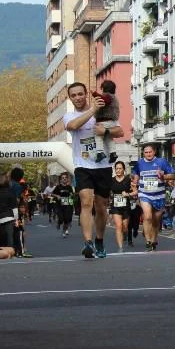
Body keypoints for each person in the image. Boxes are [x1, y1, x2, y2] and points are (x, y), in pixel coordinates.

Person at [63, 82, 122, 259]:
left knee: (101, 206)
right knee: (86, 201)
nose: (77, 98)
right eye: (73, 95)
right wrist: (92, 110)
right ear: (70, 98)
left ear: (86, 94)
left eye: (80, 94)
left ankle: (99, 240)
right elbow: (73, 126)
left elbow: (119, 131)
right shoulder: (69, 116)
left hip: (103, 166)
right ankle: (88, 242)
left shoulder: (103, 112)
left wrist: (105, 131)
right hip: (83, 165)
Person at [134, 143, 175, 252]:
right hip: (144, 194)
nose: (148, 154)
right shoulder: (139, 163)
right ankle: (148, 241)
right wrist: (135, 182)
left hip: (159, 195)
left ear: (154, 152)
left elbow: (173, 175)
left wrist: (163, 175)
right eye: (146, 152)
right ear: (143, 153)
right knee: (147, 216)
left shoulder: (162, 162)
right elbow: (136, 175)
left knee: (156, 220)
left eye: (150, 152)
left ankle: (154, 239)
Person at [91, 80, 120, 164]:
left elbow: (104, 99)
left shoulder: (108, 96)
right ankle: (113, 153)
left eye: (102, 89)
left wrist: (94, 94)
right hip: (112, 121)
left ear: (104, 88)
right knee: (108, 137)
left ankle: (100, 152)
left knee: (98, 135)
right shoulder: (114, 97)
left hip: (104, 120)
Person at [109, 161, 134, 252]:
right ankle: (120, 247)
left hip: (126, 206)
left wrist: (128, 194)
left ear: (123, 169)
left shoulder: (128, 180)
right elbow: (108, 191)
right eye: (116, 169)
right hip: (115, 206)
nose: (118, 170)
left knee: (124, 227)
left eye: (120, 168)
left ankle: (125, 233)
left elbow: (135, 191)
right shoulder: (111, 180)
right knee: (118, 226)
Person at [52, 172, 76, 237]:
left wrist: (72, 195)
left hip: (68, 202)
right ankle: (59, 222)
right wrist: (57, 196)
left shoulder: (69, 187)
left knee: (66, 219)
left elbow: (71, 195)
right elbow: (52, 194)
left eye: (65, 178)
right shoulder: (58, 187)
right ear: (61, 180)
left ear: (67, 179)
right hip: (59, 204)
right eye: (63, 178)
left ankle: (64, 231)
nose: (64, 179)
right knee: (61, 218)